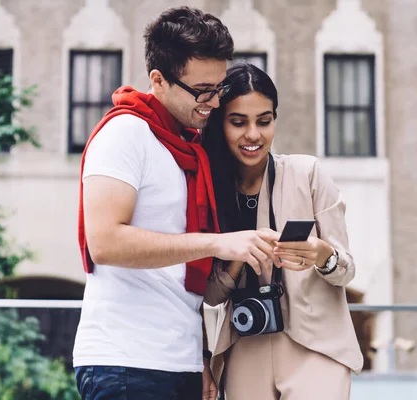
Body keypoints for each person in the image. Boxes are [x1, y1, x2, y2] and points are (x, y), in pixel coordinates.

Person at [73, 8, 281, 400]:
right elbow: (105, 242)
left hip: (179, 363)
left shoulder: (189, 148)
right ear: (159, 80)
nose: (214, 102)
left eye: (218, 88)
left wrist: (200, 360)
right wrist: (217, 243)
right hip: (125, 363)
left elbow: (178, 283)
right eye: (202, 91)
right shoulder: (125, 134)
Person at [202, 63, 364, 400]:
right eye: (238, 122)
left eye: (264, 121)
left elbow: (346, 271)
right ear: (220, 124)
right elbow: (211, 296)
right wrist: (238, 255)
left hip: (317, 345)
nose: (253, 135)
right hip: (244, 344)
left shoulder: (308, 173)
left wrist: (322, 255)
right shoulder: (210, 189)